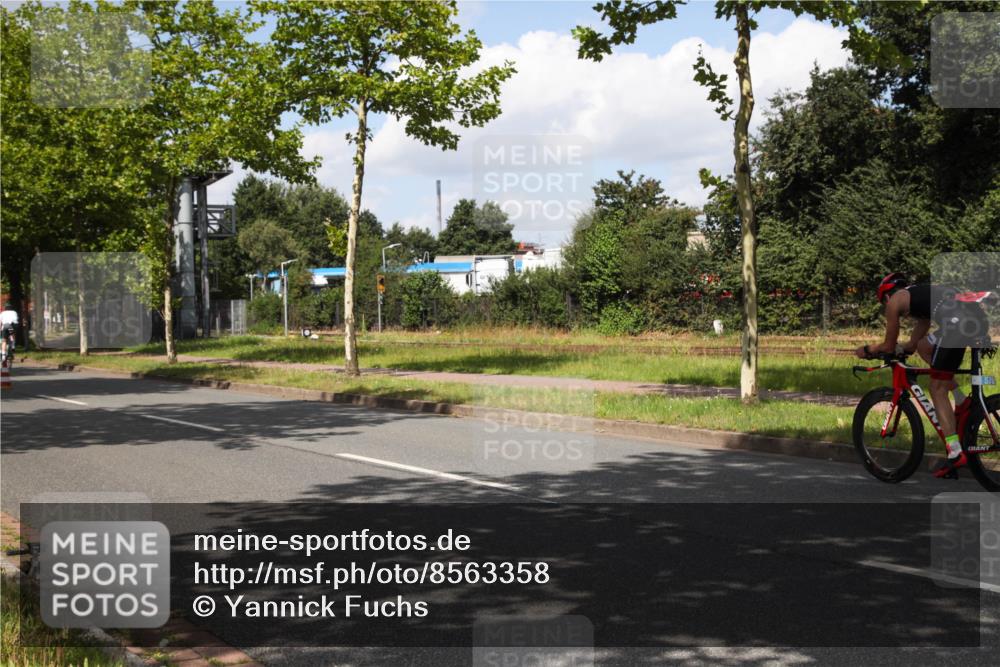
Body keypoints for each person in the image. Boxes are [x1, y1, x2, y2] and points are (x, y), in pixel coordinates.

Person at [856, 273, 990, 478]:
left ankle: (955, 452)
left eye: (883, 301)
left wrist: (867, 350)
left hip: (956, 324)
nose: (886, 306)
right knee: (924, 347)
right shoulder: (918, 296)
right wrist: (908, 347)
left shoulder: (894, 302)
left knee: (936, 388)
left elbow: (888, 345)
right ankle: (961, 400)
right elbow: (917, 339)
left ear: (886, 295)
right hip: (973, 320)